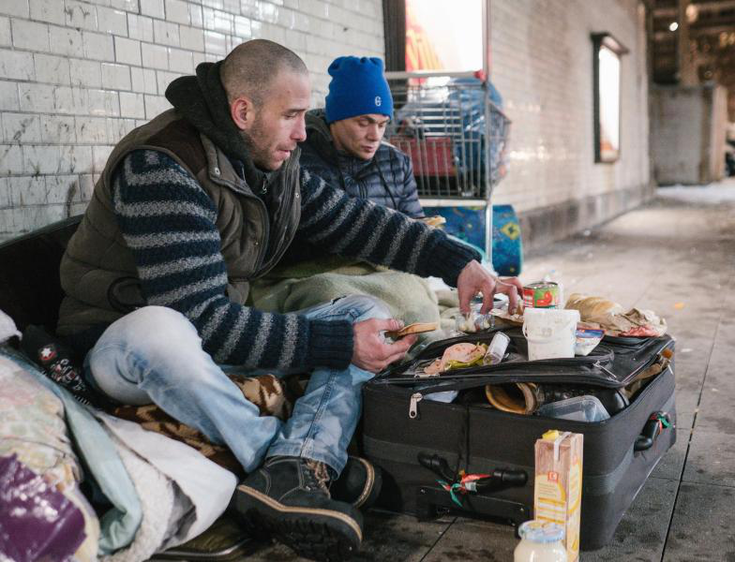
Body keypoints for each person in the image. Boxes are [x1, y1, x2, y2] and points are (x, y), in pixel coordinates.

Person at [56, 39, 521, 561]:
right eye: (293, 115)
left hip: (208, 331)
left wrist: (458, 261)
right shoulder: (162, 165)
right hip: (120, 342)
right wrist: (336, 344)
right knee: (160, 330)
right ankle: (290, 465)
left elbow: (358, 222)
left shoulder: (275, 163)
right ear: (243, 111)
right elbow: (202, 321)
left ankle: (297, 462)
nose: (304, 131)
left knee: (368, 314)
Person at [300, 56, 424, 218]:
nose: (375, 136)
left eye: (382, 124)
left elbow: (416, 226)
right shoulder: (297, 159)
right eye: (364, 123)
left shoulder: (397, 165)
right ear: (335, 118)